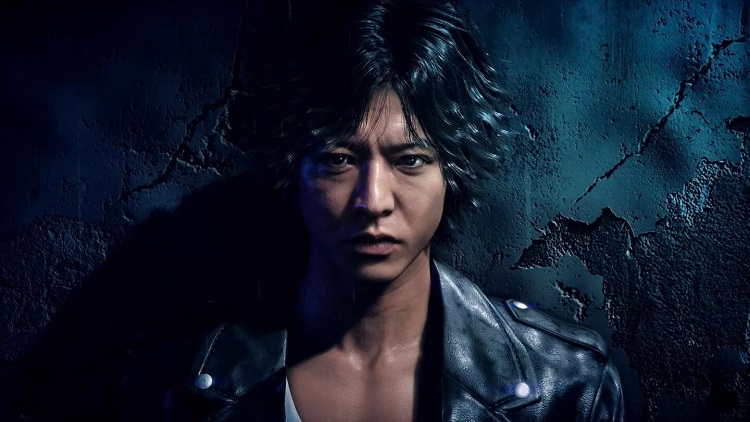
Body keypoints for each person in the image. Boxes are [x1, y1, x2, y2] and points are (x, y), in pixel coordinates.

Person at [174, 0, 625, 420]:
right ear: (292, 168)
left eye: (410, 160)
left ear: (452, 172)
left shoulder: (569, 384)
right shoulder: (184, 378)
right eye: (339, 160)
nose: (373, 201)